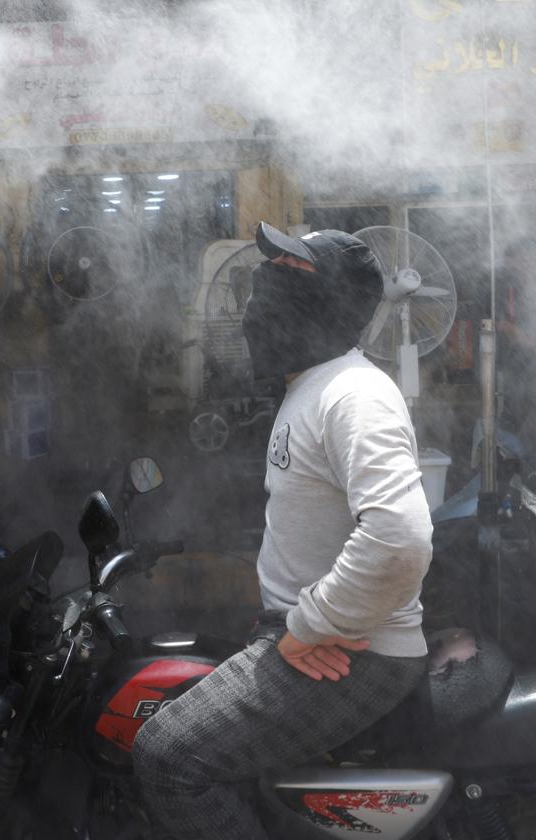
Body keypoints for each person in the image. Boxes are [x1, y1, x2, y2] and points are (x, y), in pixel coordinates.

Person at [133, 222, 433, 840]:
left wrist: (306, 626)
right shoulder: (310, 387)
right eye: (267, 270)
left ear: (331, 301)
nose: (261, 286)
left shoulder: (354, 394)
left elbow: (401, 539)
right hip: (310, 638)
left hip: (355, 655)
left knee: (169, 756)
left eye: (290, 273)